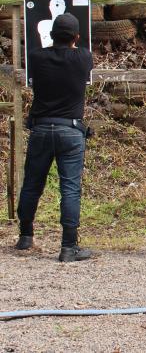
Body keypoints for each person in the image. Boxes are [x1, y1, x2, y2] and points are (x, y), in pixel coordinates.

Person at [15, 13, 94, 262]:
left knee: (32, 184)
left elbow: (46, 49)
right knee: (70, 189)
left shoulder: (36, 57)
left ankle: (25, 236)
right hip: (70, 130)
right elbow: (79, 51)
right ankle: (68, 247)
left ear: (51, 35)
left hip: (41, 128)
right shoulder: (84, 57)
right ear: (76, 37)